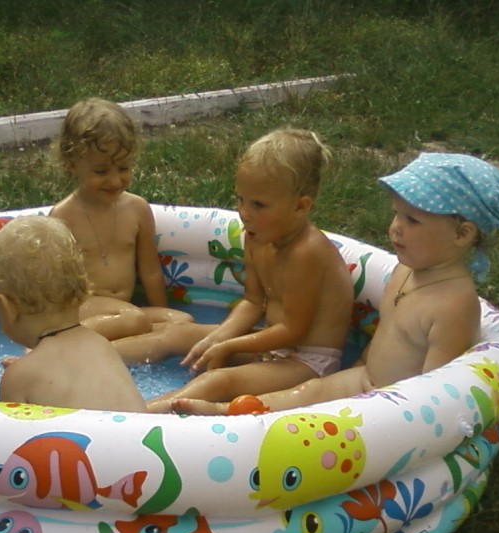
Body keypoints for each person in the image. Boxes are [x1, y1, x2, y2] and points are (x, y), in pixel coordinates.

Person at [174, 152, 499, 416]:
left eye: (412, 220)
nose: (396, 227)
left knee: (301, 409)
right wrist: (360, 364)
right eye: (396, 213)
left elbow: (437, 394)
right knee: (305, 394)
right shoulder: (405, 271)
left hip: (393, 410)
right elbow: (386, 336)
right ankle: (219, 412)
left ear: (462, 233)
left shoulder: (454, 305)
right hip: (363, 379)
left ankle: (215, 414)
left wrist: (380, 411)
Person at [144, 128, 354, 413]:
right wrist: (219, 337)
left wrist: (230, 346)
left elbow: (293, 330)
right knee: (177, 335)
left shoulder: (307, 252)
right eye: (241, 199)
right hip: (273, 348)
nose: (244, 212)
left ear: (300, 206)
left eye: (258, 204)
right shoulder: (257, 236)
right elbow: (253, 301)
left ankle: (135, 417)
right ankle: (95, 359)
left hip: (306, 363)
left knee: (216, 381)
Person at [50, 97, 191, 340]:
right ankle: (54, 345)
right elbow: (55, 287)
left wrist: (162, 312)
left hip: (125, 312)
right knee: (132, 319)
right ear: (71, 164)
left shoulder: (137, 209)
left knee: (181, 321)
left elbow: (150, 272)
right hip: (84, 311)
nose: (115, 180)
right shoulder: (63, 217)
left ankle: (113, 347)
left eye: (124, 168)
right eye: (101, 171)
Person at [0, 214, 146, 411]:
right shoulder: (102, 346)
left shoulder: (17, 377)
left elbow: (8, 431)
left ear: (7, 307)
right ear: (82, 291)